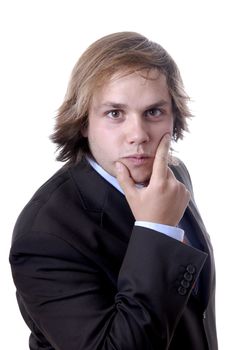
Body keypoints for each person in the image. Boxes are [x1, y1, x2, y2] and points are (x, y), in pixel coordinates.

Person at [9, 31, 218, 350]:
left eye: (153, 112)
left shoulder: (172, 176)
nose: (138, 135)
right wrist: (157, 231)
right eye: (115, 113)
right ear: (83, 121)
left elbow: (193, 307)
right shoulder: (44, 236)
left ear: (173, 117)